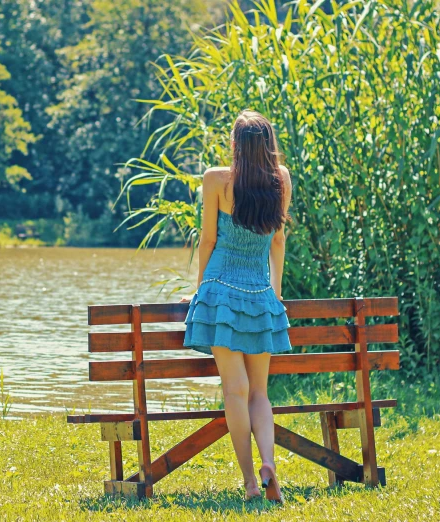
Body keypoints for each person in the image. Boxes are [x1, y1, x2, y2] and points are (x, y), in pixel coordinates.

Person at [181, 110, 292, 503]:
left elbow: (208, 241)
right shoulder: (281, 180)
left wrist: (199, 293)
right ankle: (269, 464)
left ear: (235, 145)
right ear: (268, 144)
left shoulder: (216, 179)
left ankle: (249, 481)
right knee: (259, 392)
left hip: (220, 292)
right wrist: (273, 294)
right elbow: (277, 243)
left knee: (235, 389)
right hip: (260, 295)